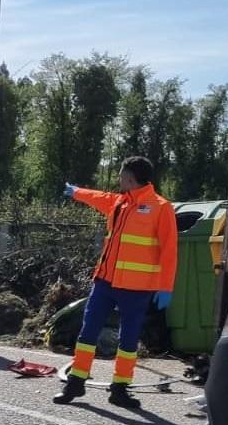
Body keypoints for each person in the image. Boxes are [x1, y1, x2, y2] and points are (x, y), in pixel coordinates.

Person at [54, 156, 177, 409]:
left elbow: (170, 250)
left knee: (128, 339)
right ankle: (76, 382)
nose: (118, 179)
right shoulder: (120, 202)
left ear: (131, 178)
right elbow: (98, 197)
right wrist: (77, 192)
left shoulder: (161, 207)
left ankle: (119, 389)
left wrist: (166, 286)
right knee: (88, 331)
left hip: (137, 287)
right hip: (106, 282)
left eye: (121, 175)